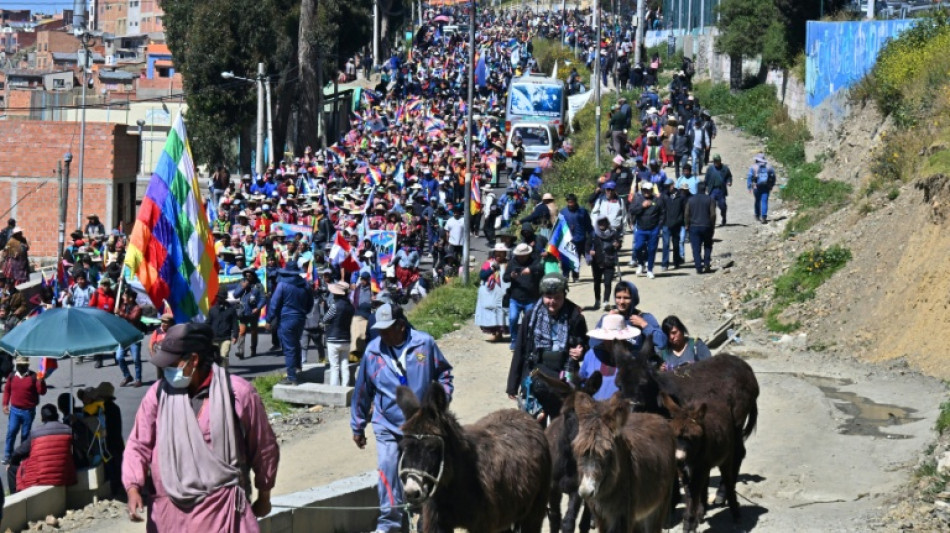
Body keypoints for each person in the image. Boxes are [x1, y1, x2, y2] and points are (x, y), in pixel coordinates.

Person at [122, 323, 280, 530]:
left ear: (193, 360)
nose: (165, 371)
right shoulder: (157, 394)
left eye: (172, 364)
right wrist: (133, 487)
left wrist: (264, 493)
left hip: (221, 514)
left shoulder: (237, 393)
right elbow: (138, 443)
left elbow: (263, 446)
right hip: (169, 515)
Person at [351, 304, 454, 533]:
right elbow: (362, 391)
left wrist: (441, 400)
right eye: (380, 330)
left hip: (421, 426)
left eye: (388, 329)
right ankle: (389, 523)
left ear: (401, 325)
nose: (383, 334)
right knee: (388, 466)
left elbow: (444, 374)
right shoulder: (372, 352)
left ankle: (426, 517)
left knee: (424, 470)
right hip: (387, 422)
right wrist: (357, 425)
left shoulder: (424, 344)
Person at [506, 273, 588, 421]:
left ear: (564, 295)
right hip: (537, 371)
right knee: (536, 420)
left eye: (557, 297)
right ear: (542, 295)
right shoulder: (532, 316)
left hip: (564, 373)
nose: (552, 301)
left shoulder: (575, 317)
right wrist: (513, 384)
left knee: (564, 420)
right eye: (548, 297)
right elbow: (521, 349)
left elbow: (584, 343)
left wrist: (580, 351)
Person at [7, 404, 76, 494]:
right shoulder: (68, 430)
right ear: (57, 415)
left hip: (39, 478)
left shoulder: (35, 433)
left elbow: (18, 453)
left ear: (42, 418)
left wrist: (11, 461)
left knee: (11, 469)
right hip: (63, 474)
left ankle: (16, 496)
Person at [579, 314, 641, 400]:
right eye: (610, 339)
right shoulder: (591, 354)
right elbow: (582, 380)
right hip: (594, 408)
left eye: (617, 339)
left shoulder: (634, 357)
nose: (613, 343)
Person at [268, 267, 313, 385]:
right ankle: (298, 367)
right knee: (296, 342)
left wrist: (269, 319)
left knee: (289, 348)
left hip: (286, 319)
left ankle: (291, 377)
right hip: (300, 318)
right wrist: (303, 312)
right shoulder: (305, 285)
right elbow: (310, 303)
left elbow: (274, 303)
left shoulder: (282, 285)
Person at [3, 356, 46, 465]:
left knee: (25, 435)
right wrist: (5, 404)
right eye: (20, 365)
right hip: (15, 410)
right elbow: (7, 390)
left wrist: (41, 381)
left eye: (24, 365)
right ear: (17, 365)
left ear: (27, 365)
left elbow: (41, 392)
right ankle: (8, 455)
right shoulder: (12, 376)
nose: (22, 367)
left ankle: (22, 456)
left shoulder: (34, 376)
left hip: (28, 411)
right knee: (11, 431)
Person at [503, 243, 544, 350]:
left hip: (531, 297)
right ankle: (514, 340)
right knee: (513, 318)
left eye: (523, 255)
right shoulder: (512, 262)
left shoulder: (534, 260)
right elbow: (505, 278)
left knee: (530, 321)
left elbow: (541, 268)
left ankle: (528, 341)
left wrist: (530, 270)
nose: (521, 257)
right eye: (519, 255)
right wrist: (511, 276)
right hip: (515, 298)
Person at [95, 381, 126, 501]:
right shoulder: (114, 408)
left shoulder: (104, 409)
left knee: (112, 467)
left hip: (109, 443)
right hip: (116, 441)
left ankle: (116, 489)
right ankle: (119, 487)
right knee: (117, 466)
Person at [475, 243, 510, 341]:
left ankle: (500, 333)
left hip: (503, 293)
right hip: (491, 293)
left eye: (501, 253)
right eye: (497, 253)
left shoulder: (508, 264)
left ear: (505, 254)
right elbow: (482, 275)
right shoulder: (489, 263)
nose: (499, 255)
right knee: (491, 312)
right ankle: (495, 333)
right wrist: (492, 270)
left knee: (503, 312)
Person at [629, 181, 665, 278]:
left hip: (653, 229)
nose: (646, 192)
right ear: (642, 190)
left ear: (652, 190)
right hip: (641, 228)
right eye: (644, 190)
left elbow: (662, 213)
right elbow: (632, 210)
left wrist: (659, 226)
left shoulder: (657, 200)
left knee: (652, 249)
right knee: (637, 247)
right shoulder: (638, 199)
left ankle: (649, 269)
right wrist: (642, 206)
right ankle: (641, 263)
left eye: (648, 190)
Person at [322, 281, 355, 387]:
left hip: (333, 338)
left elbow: (325, 319)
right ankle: (345, 386)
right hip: (346, 339)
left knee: (334, 366)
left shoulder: (335, 306)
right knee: (345, 364)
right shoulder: (351, 307)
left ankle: (334, 389)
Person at [588, 216, 621, 311]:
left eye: (604, 223)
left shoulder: (613, 233)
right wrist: (590, 251)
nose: (602, 225)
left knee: (607, 283)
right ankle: (597, 300)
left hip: (609, 262)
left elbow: (618, 244)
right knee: (597, 283)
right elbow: (587, 246)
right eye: (600, 223)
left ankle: (606, 301)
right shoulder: (593, 234)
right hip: (597, 263)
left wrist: (617, 245)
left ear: (607, 223)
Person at [685, 182, 717, 274]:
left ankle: (698, 267)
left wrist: (687, 224)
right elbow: (713, 214)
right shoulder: (710, 199)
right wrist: (712, 225)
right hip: (707, 226)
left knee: (696, 248)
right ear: (705, 189)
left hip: (694, 226)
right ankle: (707, 263)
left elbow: (687, 214)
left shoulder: (690, 200)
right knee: (707, 245)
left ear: (696, 189)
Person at [233, 268, 265, 359]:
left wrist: (258, 308)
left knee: (253, 331)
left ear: (253, 276)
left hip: (253, 312)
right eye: (246, 276)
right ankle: (240, 351)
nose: (248, 277)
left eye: (249, 276)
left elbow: (263, 299)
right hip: (243, 311)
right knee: (242, 331)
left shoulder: (258, 286)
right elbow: (235, 295)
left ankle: (253, 349)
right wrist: (243, 287)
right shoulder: (242, 283)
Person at [560, 194, 592, 282]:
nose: (570, 204)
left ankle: (575, 276)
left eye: (572, 202)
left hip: (580, 238)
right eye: (569, 202)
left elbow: (588, 225)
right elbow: (560, 226)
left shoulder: (582, 211)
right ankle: (565, 275)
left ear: (575, 201)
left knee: (576, 259)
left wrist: (591, 236)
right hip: (568, 239)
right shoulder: (563, 212)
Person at [116, 290, 145, 387]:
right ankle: (127, 375)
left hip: (134, 337)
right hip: (124, 336)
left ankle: (138, 379)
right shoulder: (123, 306)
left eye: (125, 295)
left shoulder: (137, 308)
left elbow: (133, 318)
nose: (123, 297)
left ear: (131, 298)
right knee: (119, 357)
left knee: (136, 359)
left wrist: (120, 313)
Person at [208, 286, 240, 368]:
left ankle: (224, 374)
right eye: (219, 297)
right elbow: (208, 323)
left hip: (226, 338)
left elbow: (235, 324)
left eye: (222, 298)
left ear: (225, 298)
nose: (220, 299)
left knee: (223, 356)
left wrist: (235, 335)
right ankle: (215, 374)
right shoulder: (212, 310)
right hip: (214, 339)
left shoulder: (231, 310)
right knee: (214, 358)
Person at [746, 153, 776, 223]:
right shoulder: (769, 167)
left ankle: (757, 215)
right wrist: (772, 185)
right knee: (764, 201)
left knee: (757, 200)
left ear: (756, 160)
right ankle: (764, 217)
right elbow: (773, 177)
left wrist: (749, 187)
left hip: (756, 186)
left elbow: (749, 177)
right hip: (766, 186)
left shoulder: (753, 167)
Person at [704, 154, 733, 226]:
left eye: (717, 161)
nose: (716, 163)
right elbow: (706, 179)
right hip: (712, 190)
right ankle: (711, 221)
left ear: (720, 161)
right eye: (714, 161)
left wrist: (729, 182)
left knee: (722, 205)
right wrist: (705, 187)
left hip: (721, 190)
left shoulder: (725, 168)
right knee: (711, 207)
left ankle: (724, 217)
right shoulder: (710, 169)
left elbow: (729, 176)